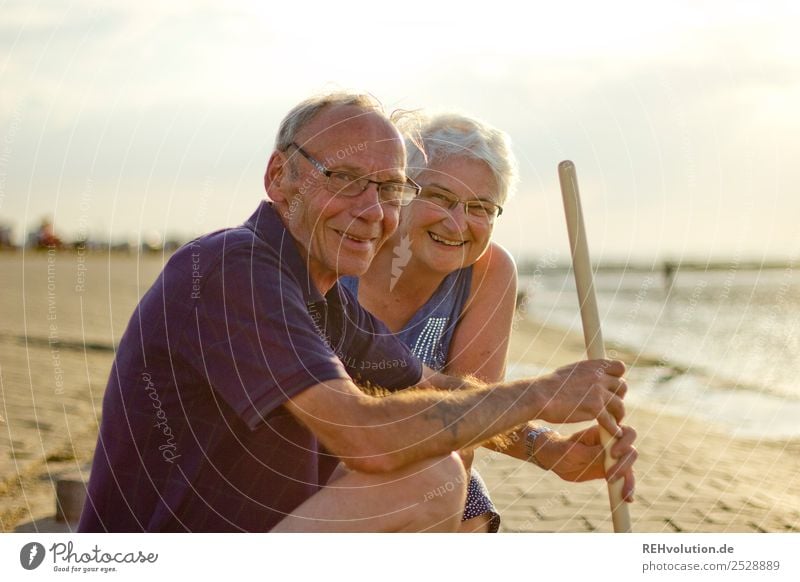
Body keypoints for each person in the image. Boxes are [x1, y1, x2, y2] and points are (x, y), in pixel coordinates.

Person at [79, 92, 635, 532]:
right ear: (279, 177)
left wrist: (550, 450)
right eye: (345, 179)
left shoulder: (327, 293)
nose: (371, 209)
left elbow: (435, 386)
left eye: (389, 187)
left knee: (437, 484)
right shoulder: (232, 269)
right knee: (422, 484)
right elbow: (363, 437)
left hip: (259, 527)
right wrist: (540, 393)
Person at [341, 112, 636, 532]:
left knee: (459, 498)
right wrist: (543, 398)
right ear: (402, 191)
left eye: (480, 207)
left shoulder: (489, 271)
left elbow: (473, 422)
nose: (457, 223)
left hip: (429, 466)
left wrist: (551, 450)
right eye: (440, 198)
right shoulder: (346, 250)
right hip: (310, 458)